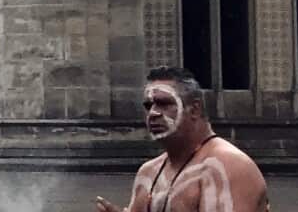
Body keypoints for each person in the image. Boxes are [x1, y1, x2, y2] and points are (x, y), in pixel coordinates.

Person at [95, 67, 269, 212]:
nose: (153, 113)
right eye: (148, 106)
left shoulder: (227, 166)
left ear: (194, 109)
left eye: (164, 104)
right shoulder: (147, 173)